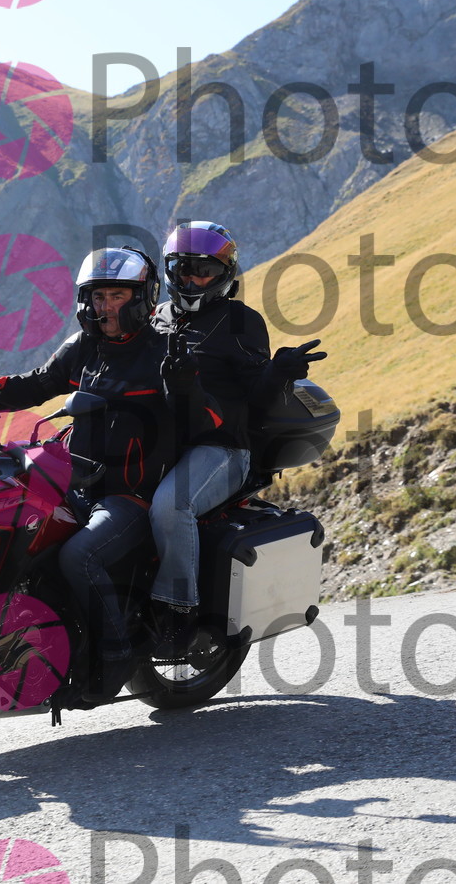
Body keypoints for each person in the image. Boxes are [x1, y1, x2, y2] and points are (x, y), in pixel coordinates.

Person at [0, 246, 218, 701]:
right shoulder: (84, 347)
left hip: (130, 495)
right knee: (6, 520)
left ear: (142, 297)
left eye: (117, 296)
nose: (105, 306)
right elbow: (33, 384)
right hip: (71, 482)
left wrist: (185, 386)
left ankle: (114, 653)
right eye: (98, 297)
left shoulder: (165, 353)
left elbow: (203, 421)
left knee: (80, 557)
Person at [148, 221, 327, 656]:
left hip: (222, 447)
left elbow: (257, 398)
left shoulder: (240, 321)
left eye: (204, 271)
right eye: (183, 269)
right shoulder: (157, 318)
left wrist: (279, 371)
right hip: (161, 443)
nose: (192, 280)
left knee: (172, 506)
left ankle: (179, 610)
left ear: (225, 274)